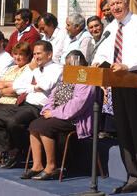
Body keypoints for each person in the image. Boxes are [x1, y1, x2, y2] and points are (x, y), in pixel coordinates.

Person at [93, 0, 137, 194]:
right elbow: (103, 52)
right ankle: (133, 176)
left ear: (127, 3)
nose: (116, 7)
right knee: (124, 131)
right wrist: (96, 63)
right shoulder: (110, 28)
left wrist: (126, 65)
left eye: (119, 3)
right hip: (118, 81)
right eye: (112, 5)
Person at [0, 40, 63, 168]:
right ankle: (13, 152)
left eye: (39, 54)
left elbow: (44, 85)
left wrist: (34, 75)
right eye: (35, 54)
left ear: (49, 55)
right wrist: (33, 87)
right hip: (24, 104)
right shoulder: (33, 68)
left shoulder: (56, 68)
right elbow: (17, 85)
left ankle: (20, 152)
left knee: (13, 122)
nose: (36, 57)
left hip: (39, 108)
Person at [20, 50, 95, 180]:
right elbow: (53, 95)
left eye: (72, 64)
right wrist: (47, 110)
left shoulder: (86, 77)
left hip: (74, 118)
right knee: (34, 125)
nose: (69, 68)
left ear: (81, 63)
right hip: (57, 114)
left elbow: (78, 104)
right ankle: (37, 165)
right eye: (67, 65)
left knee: (44, 127)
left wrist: (54, 113)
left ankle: (51, 167)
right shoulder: (65, 75)